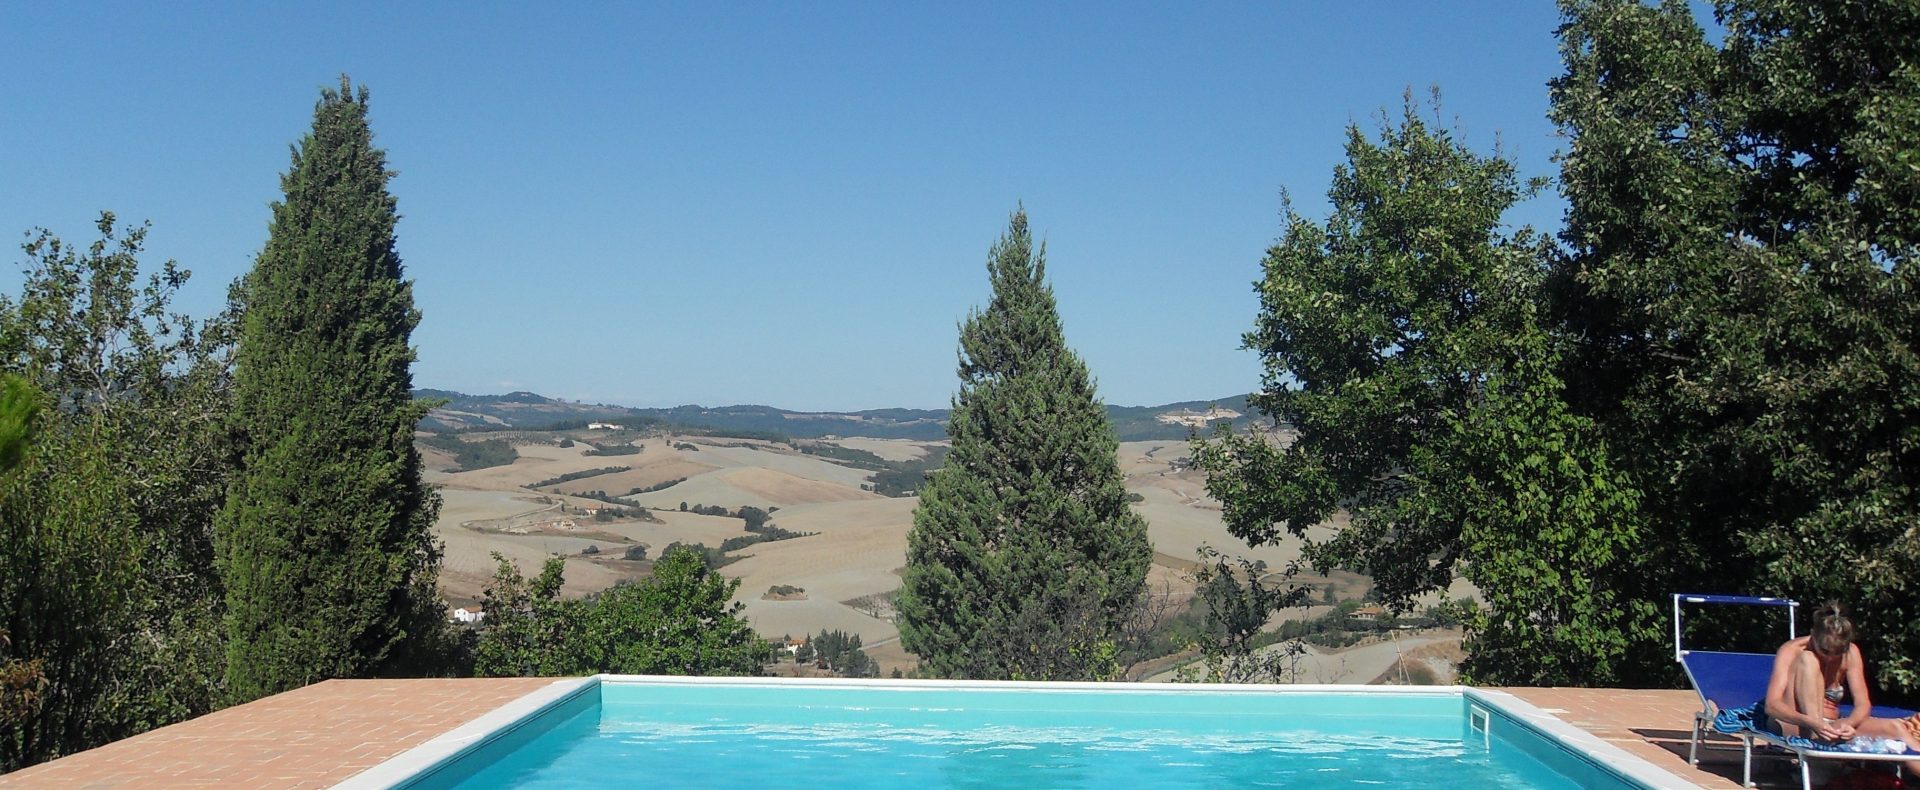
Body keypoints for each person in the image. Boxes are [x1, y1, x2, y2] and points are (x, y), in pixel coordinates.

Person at [1763, 602, 1920, 750]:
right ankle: (1817, 736)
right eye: (1825, 651)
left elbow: (1863, 704)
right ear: (1813, 635)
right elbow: (1772, 706)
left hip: (1831, 726)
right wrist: (1812, 722)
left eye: (1838, 653)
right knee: (1808, 659)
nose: (1830, 658)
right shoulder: (1792, 650)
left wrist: (1849, 723)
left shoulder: (1851, 652)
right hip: (1796, 723)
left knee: (1895, 728)